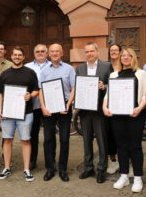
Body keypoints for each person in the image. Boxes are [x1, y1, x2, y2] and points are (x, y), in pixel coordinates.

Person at [103, 48, 146, 193]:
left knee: (135, 146)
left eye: (129, 55)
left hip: (135, 115)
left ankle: (138, 178)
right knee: (121, 146)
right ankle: (124, 176)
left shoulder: (141, 74)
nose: (126, 57)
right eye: (123, 56)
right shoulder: (114, 74)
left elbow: (145, 95)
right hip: (117, 116)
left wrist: (139, 108)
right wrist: (104, 107)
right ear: (120, 58)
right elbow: (108, 95)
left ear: (133, 57)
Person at [0, 46, 39, 182]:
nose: (17, 57)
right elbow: (0, 93)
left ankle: (26, 169)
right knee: (7, 140)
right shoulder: (5, 74)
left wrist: (30, 95)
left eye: (19, 55)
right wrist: (0, 109)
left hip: (26, 113)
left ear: (24, 57)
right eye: (15, 55)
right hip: (8, 113)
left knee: (25, 140)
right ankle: (7, 167)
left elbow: (36, 90)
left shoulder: (30, 72)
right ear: (11, 56)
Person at [76, 42, 111, 184]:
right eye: (87, 52)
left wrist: (105, 86)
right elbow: (77, 87)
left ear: (97, 52)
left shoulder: (106, 66)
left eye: (92, 51)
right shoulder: (80, 68)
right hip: (85, 110)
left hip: (99, 110)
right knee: (86, 140)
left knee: (102, 140)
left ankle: (101, 169)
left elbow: (113, 84)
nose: (89, 54)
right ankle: (89, 167)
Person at [39, 43, 75, 182]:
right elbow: (41, 89)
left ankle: (63, 169)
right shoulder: (44, 70)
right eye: (52, 51)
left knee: (64, 139)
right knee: (48, 139)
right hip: (49, 107)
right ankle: (50, 169)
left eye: (57, 51)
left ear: (62, 53)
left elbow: (74, 88)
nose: (54, 53)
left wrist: (68, 104)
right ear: (49, 54)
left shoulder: (69, 69)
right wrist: (42, 106)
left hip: (64, 107)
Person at [25, 44, 50, 170]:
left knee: (49, 136)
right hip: (33, 106)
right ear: (34, 53)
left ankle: (49, 163)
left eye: (42, 51)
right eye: (37, 51)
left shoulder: (53, 66)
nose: (40, 53)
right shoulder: (27, 67)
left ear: (47, 53)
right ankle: (32, 161)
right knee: (32, 135)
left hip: (49, 106)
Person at [106, 44, 122, 174]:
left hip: (123, 105)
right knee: (110, 134)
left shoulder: (125, 65)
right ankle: (113, 160)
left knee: (122, 134)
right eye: (111, 50)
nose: (113, 52)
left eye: (116, 50)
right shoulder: (106, 66)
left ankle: (125, 161)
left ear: (121, 52)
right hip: (109, 106)